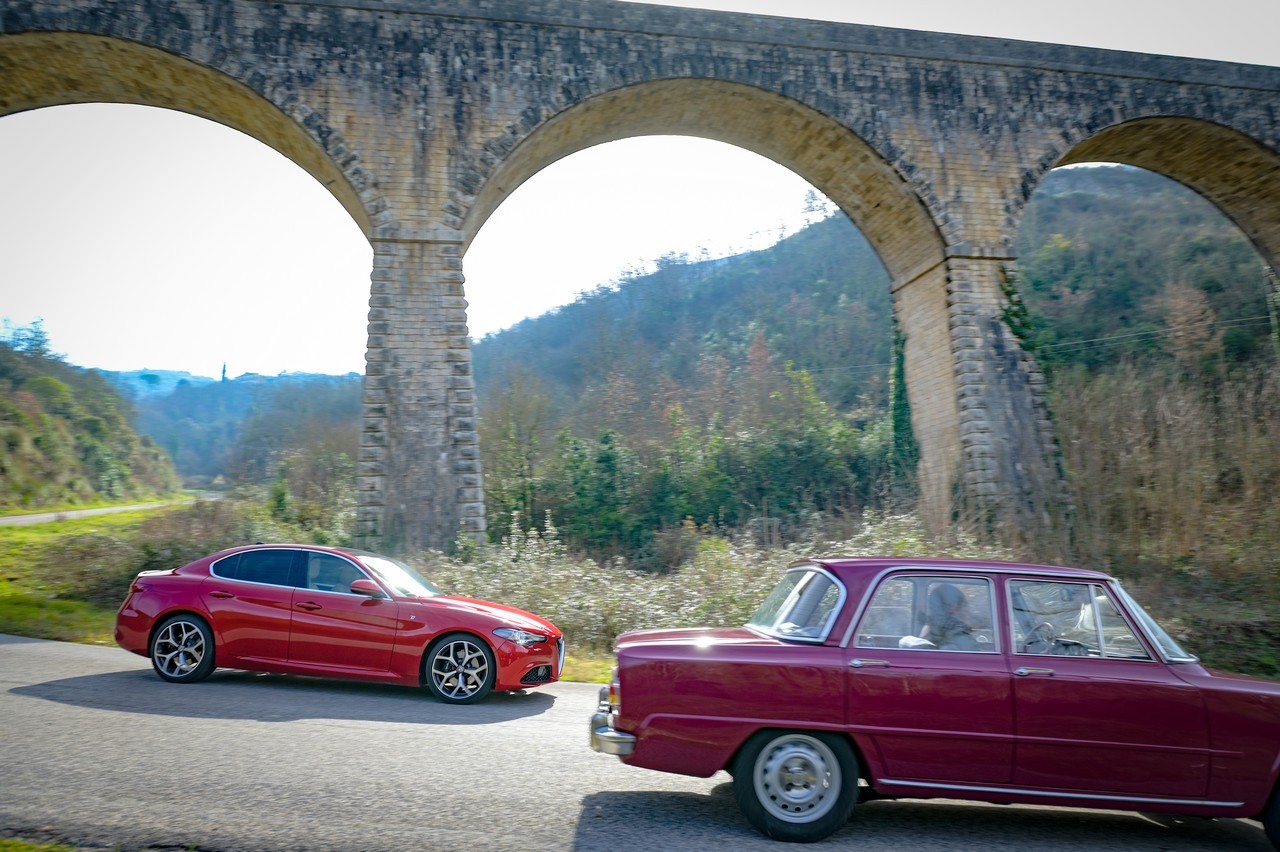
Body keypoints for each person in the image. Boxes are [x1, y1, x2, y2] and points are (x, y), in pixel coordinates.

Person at [922, 583, 980, 651]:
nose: (967, 611)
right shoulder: (963, 639)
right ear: (953, 607)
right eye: (963, 605)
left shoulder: (928, 632)